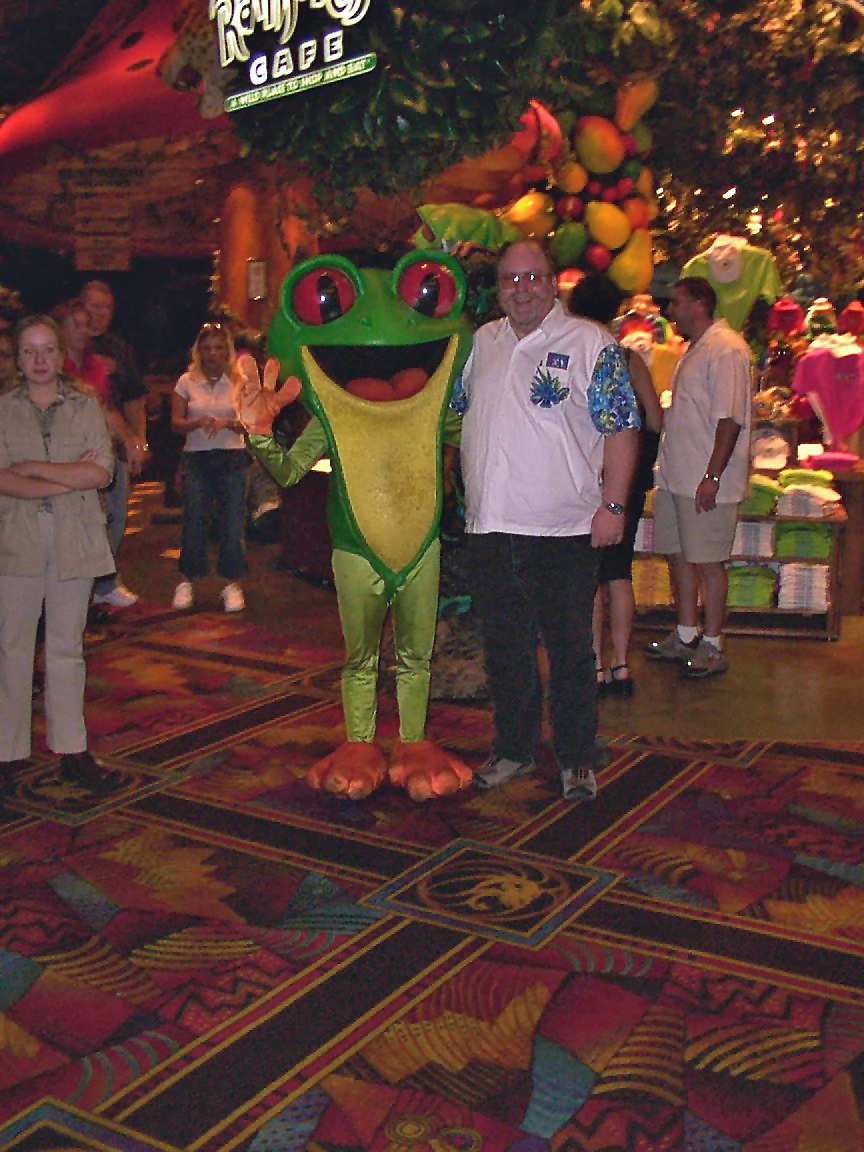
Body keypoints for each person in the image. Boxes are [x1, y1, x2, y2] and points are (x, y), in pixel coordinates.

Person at [458, 239, 640, 801]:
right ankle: (513, 750)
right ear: (498, 288)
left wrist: (614, 507)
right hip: (491, 526)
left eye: (533, 277)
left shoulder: (590, 343)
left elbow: (622, 428)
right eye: (511, 279)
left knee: (570, 652)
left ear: (554, 282)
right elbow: (458, 417)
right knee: (505, 648)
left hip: (564, 530)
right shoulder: (482, 343)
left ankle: (576, 758)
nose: (522, 289)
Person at [0, 315, 116, 790]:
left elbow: (101, 472)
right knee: (12, 647)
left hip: (75, 539)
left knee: (67, 647)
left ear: (60, 354)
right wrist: (66, 476)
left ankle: (72, 750)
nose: (40, 359)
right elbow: (2, 479)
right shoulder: (3, 410)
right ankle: (7, 753)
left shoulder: (85, 405)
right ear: (17, 359)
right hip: (17, 539)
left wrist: (31, 468)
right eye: (29, 351)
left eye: (48, 349)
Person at [644, 276, 752, 678]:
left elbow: (730, 419)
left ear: (699, 304)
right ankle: (686, 632)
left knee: (708, 562)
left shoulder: (726, 350)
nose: (670, 311)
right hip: (676, 476)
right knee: (679, 558)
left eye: (677, 303)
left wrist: (713, 475)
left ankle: (713, 643)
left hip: (704, 481)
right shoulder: (695, 348)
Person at [568, 274, 663, 697]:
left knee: (588, 576)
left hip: (585, 474)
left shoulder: (574, 354)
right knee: (619, 571)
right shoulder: (628, 359)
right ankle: (623, 664)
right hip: (629, 477)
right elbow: (654, 419)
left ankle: (594, 664)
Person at [170, 321, 248, 612]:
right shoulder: (186, 381)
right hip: (197, 457)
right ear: (198, 352)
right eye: (206, 349)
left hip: (232, 456)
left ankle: (231, 583)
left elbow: (252, 422)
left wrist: (228, 423)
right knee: (194, 520)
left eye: (218, 348)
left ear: (227, 351)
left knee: (232, 522)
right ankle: (186, 580)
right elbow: (175, 423)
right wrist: (195, 423)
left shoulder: (240, 382)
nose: (212, 354)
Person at [80, 279, 148, 608]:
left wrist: (140, 440)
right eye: (95, 306)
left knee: (117, 515)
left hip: (115, 444)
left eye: (107, 307)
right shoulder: (71, 345)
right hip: (80, 447)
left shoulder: (119, 349)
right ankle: (87, 581)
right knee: (90, 517)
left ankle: (104, 581)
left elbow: (134, 398)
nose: (101, 314)